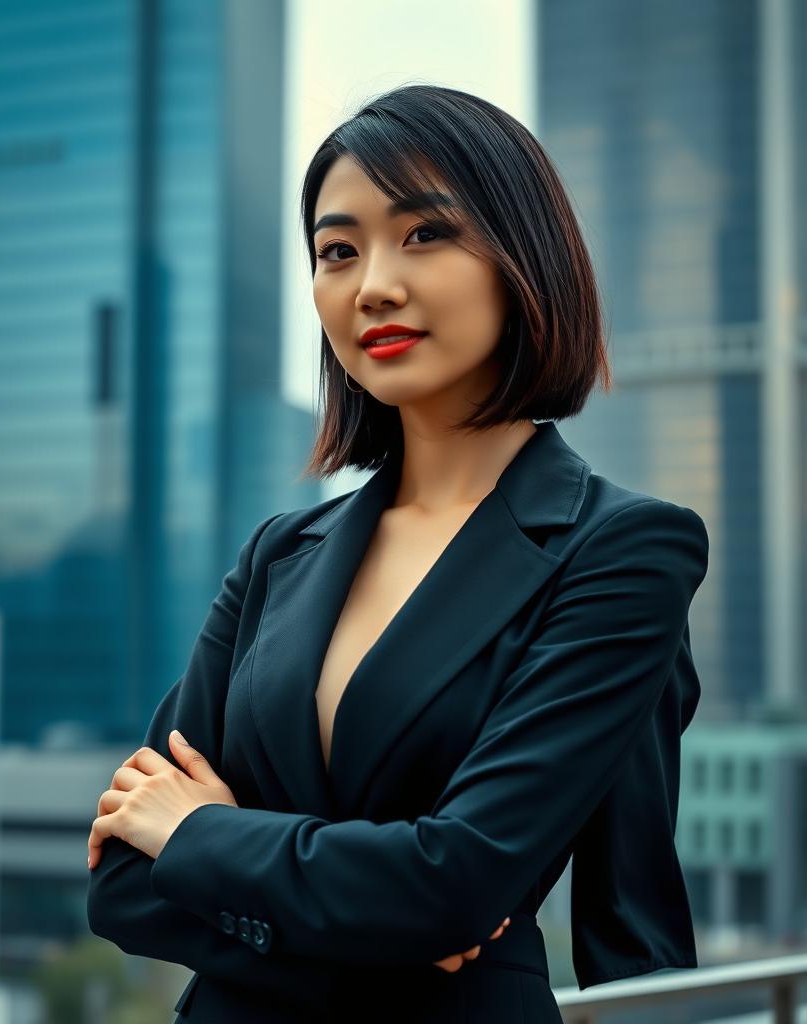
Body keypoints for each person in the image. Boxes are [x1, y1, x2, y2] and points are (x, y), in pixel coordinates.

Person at [86, 84, 709, 1023]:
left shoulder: (620, 552)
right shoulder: (279, 553)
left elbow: (458, 881)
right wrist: (393, 929)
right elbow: (124, 884)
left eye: (423, 234)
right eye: (338, 250)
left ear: (521, 257)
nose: (372, 282)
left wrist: (201, 833)